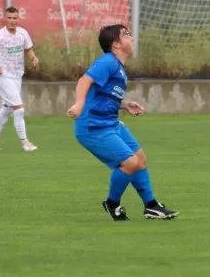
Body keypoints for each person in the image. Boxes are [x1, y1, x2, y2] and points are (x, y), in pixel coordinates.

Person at [67, 24, 179, 221]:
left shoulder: (118, 67)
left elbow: (104, 96)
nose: (132, 38)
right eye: (127, 35)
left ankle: (151, 206)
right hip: (93, 127)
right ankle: (112, 204)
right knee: (130, 164)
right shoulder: (108, 62)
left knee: (140, 159)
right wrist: (78, 104)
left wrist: (124, 104)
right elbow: (84, 81)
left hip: (110, 123)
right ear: (116, 44)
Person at [0, 6, 38, 152]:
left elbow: (28, 49)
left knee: (7, 108)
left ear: (18, 19)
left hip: (18, 75)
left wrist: (33, 57)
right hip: (4, 76)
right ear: (5, 19)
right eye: (9, 18)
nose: (12, 21)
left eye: (15, 18)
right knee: (19, 110)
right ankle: (25, 143)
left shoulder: (23, 33)